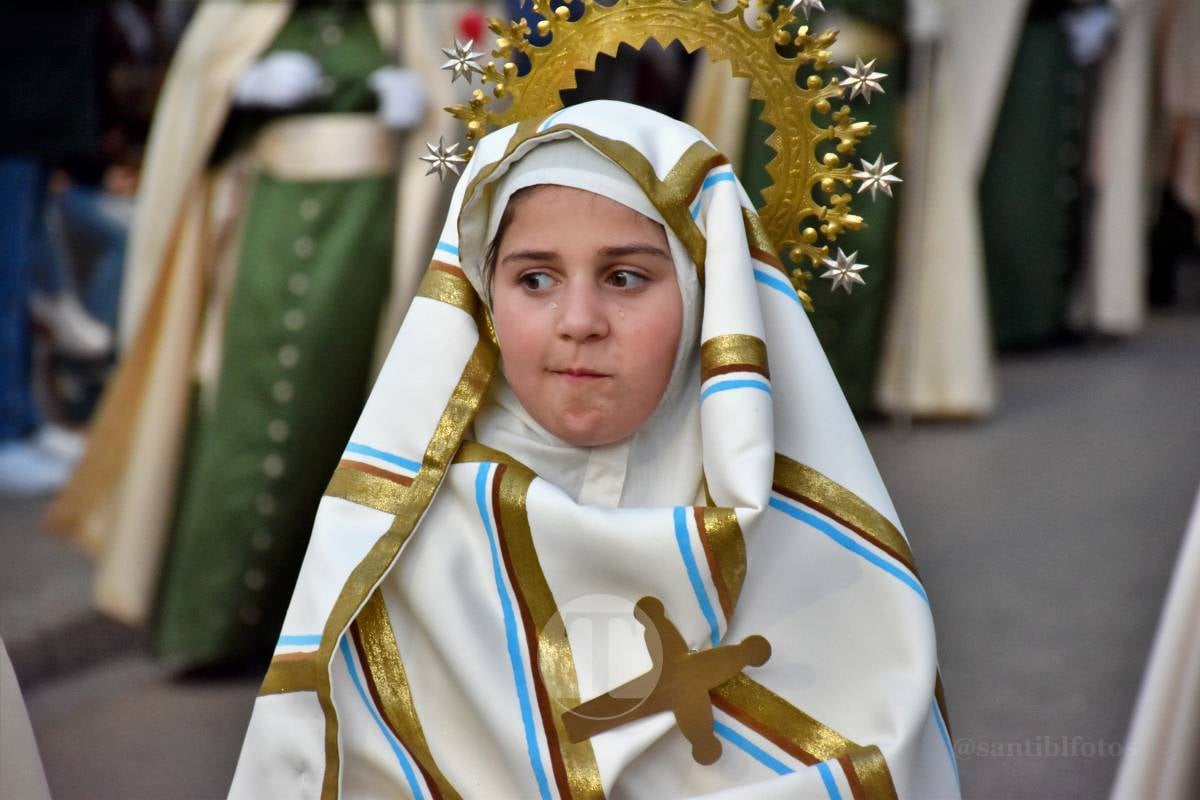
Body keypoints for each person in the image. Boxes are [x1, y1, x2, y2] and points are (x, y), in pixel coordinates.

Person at [228, 101, 958, 799]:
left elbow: (869, 758)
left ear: (710, 293)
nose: (580, 321)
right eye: (535, 279)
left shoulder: (810, 543)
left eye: (625, 277)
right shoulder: (403, 542)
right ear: (482, 295)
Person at [46, 1, 486, 668]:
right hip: (265, 227)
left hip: (372, 238)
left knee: (336, 418)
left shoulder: (421, 14)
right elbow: (187, 117)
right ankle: (211, 625)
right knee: (243, 407)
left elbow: (469, 119)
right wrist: (239, 94)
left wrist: (430, 115)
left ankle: (314, 631)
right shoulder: (240, 14)